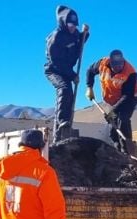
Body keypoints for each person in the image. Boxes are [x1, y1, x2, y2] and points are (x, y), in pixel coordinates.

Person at [45, 5, 89, 142]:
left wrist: (85, 34)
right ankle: (61, 123)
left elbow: (79, 42)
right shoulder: (55, 38)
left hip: (67, 71)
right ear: (64, 22)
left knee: (69, 95)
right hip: (54, 70)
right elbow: (57, 62)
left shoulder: (75, 33)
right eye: (70, 24)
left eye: (75, 25)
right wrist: (72, 75)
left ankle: (67, 121)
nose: (73, 27)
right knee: (64, 89)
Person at [86, 49, 137, 150]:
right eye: (115, 65)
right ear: (110, 63)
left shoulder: (130, 72)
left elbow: (126, 96)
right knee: (112, 127)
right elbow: (90, 71)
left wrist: (113, 111)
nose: (118, 67)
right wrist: (89, 87)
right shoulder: (102, 63)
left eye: (120, 65)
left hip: (129, 98)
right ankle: (116, 150)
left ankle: (127, 151)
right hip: (112, 100)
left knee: (122, 120)